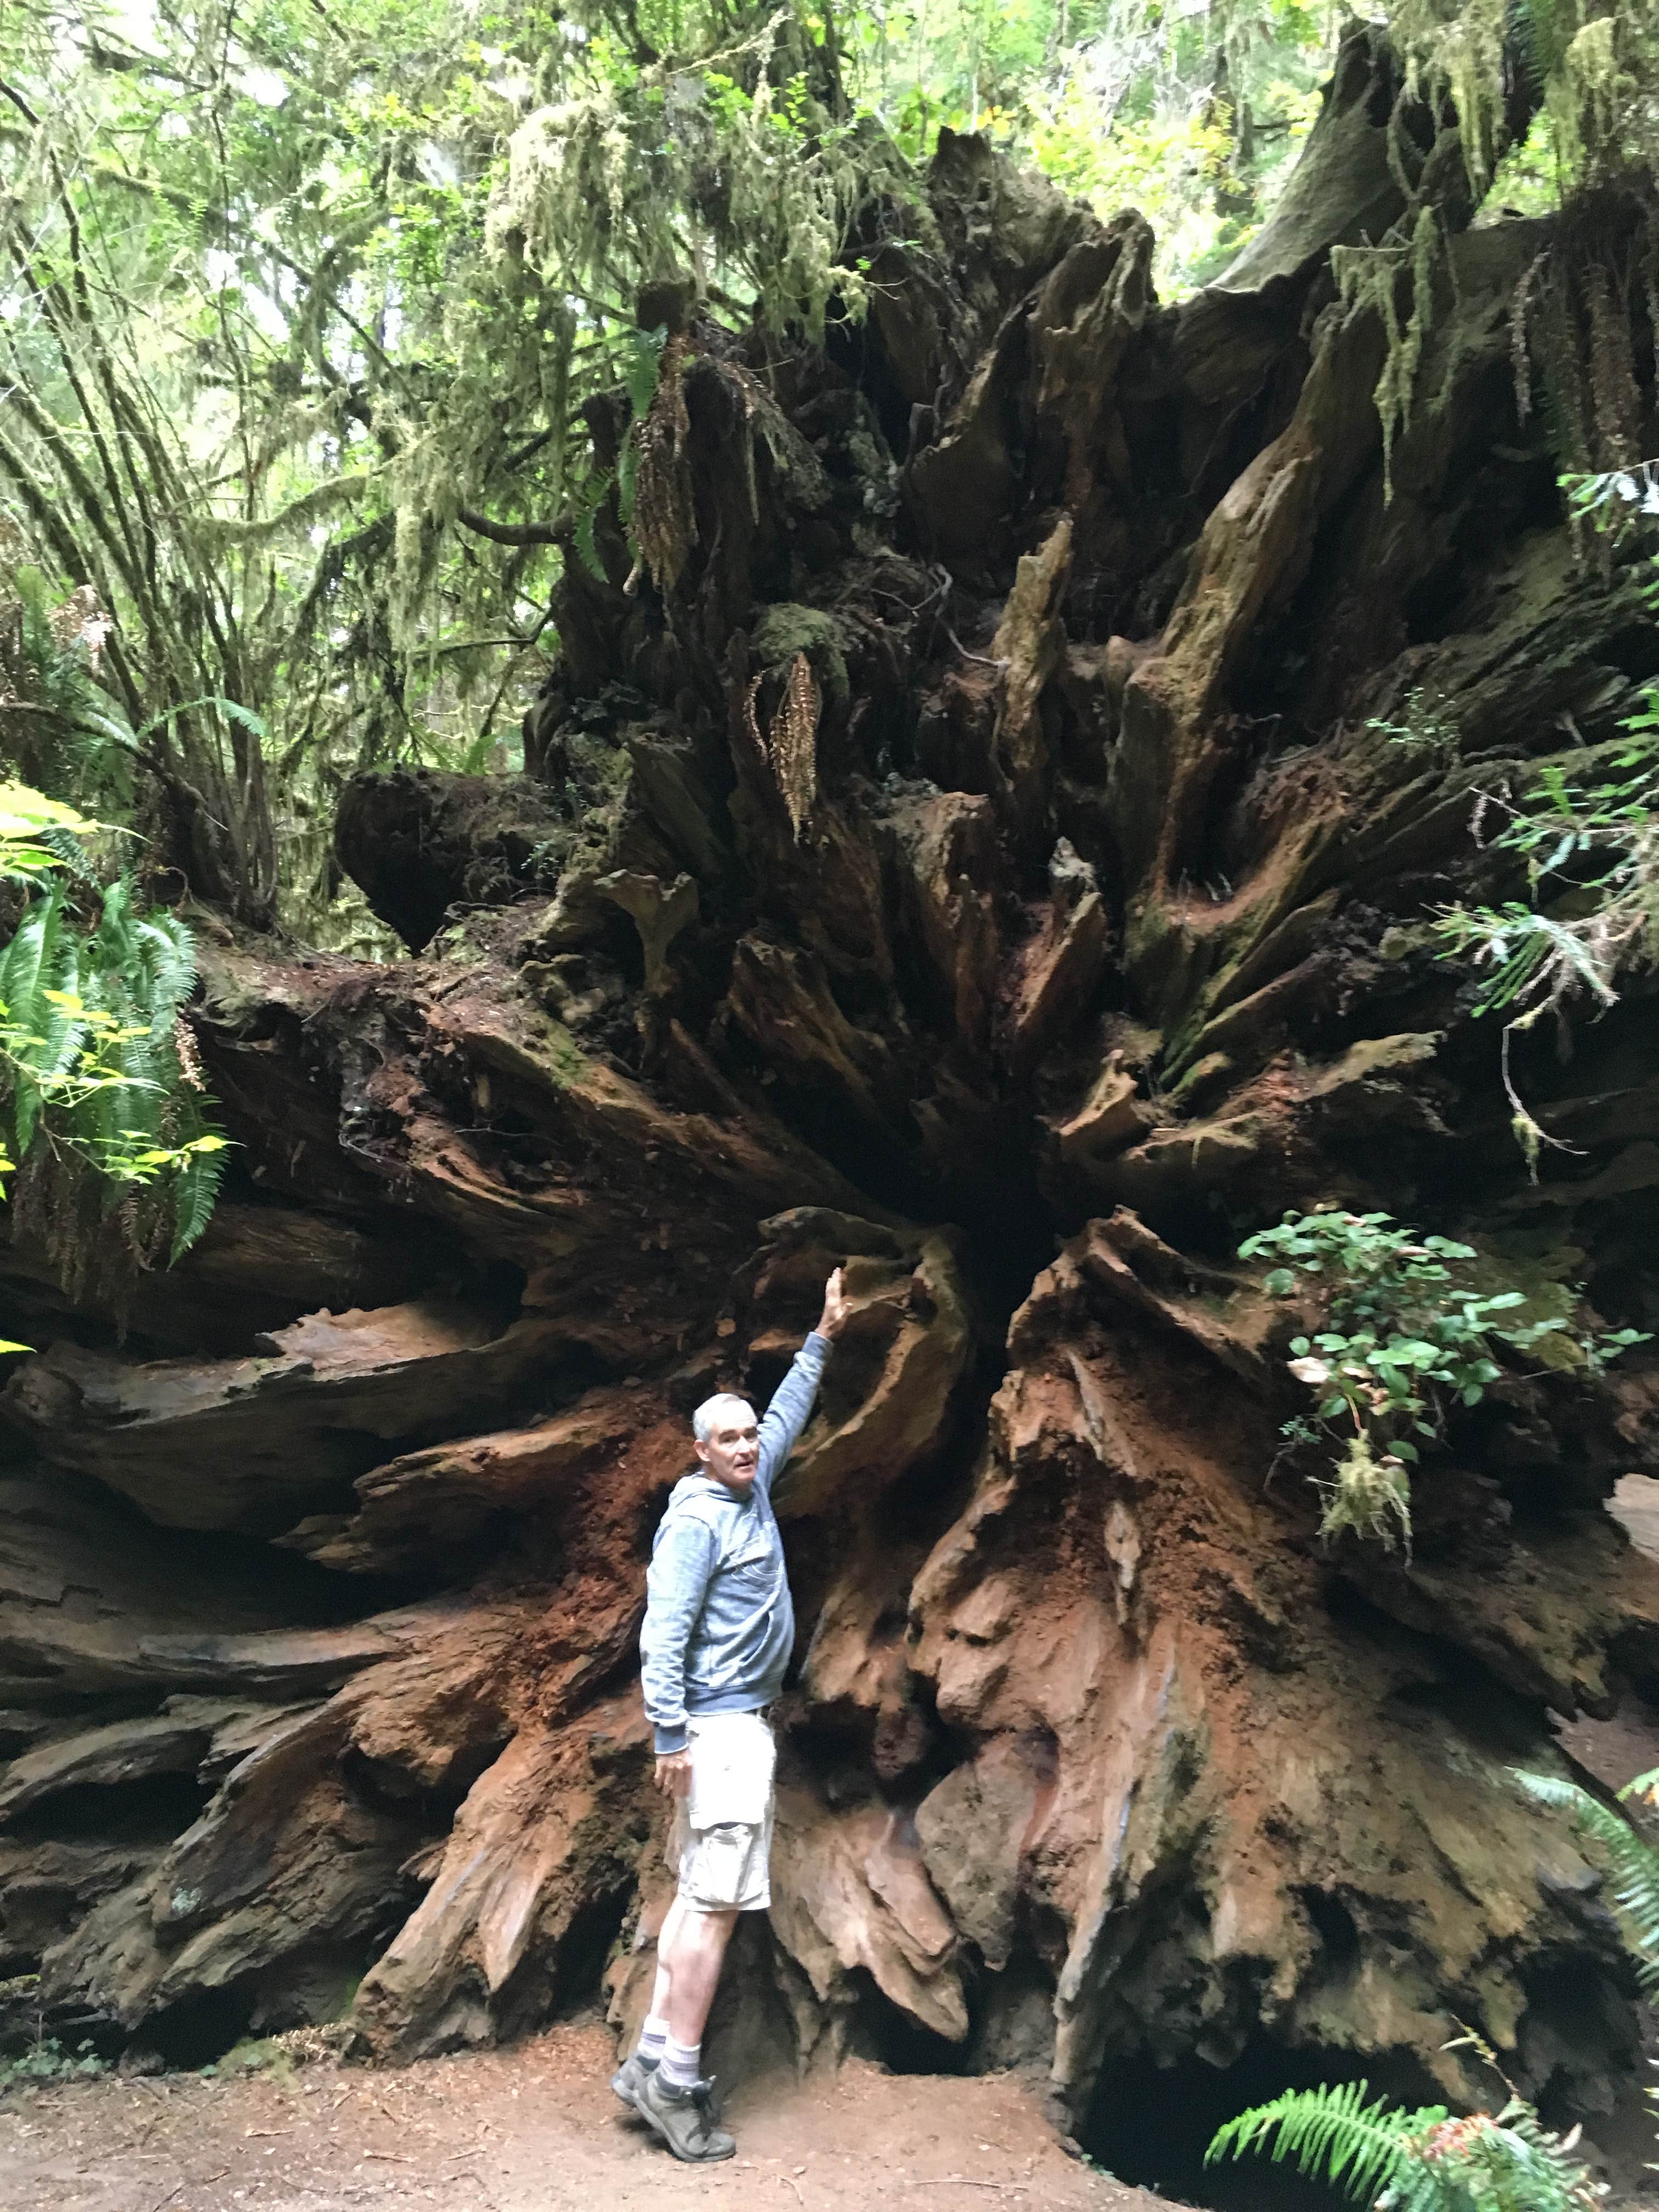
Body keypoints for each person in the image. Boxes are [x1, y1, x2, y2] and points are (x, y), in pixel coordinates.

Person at [612, 1266, 850, 2163]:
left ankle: (647, 2061)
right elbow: (661, 1632)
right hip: (717, 1731)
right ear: (701, 1451)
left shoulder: (752, 1481)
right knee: (714, 1910)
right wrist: (670, 1735)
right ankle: (677, 2083)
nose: (750, 1446)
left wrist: (822, 1335)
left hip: (733, 1725)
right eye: (732, 1439)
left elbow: (787, 1413)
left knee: (693, 1900)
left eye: (751, 1435)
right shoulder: (698, 1522)